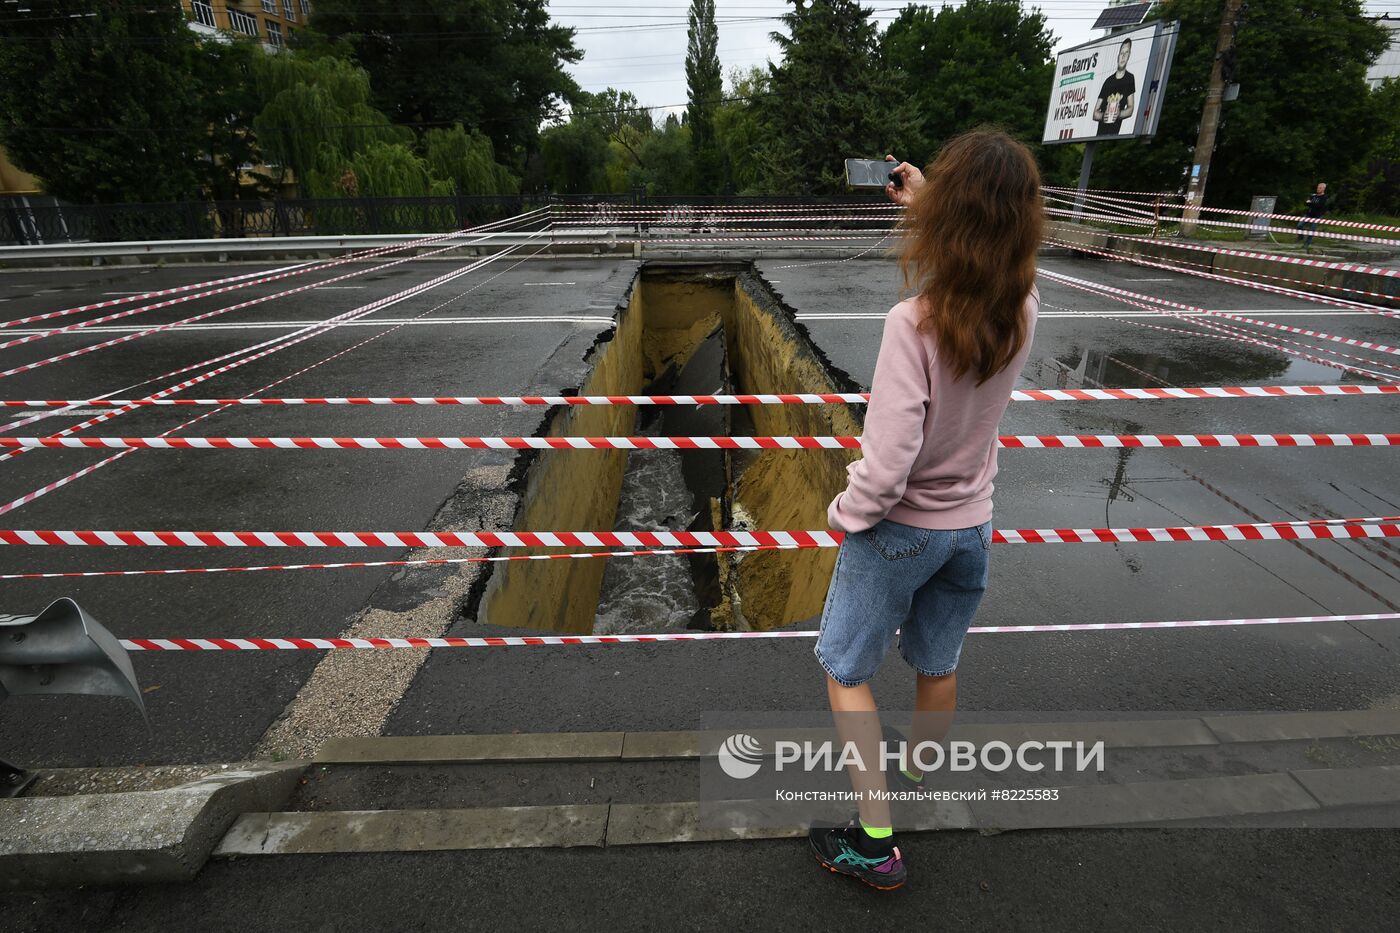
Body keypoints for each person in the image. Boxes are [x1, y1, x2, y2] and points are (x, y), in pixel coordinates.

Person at [806, 130, 1041, 891]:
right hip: (972, 526)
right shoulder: (1024, 306)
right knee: (937, 662)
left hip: (899, 531)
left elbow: (888, 463)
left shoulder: (912, 324)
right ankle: (922, 774)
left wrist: (845, 512)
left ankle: (874, 843)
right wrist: (928, 199)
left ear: (948, 224)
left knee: (846, 671)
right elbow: (983, 244)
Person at [1091, 37, 1137, 135]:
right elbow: (1095, 113)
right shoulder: (1108, 81)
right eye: (1121, 53)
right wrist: (1103, 116)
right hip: (1100, 134)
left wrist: (1119, 114)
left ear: (1129, 56)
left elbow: (1130, 108)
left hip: (1114, 136)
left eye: (1126, 53)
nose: (1123, 56)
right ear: (1118, 56)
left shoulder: (1129, 78)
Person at [1299, 182, 1328, 251]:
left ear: (1323, 189)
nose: (1318, 189)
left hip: (1317, 216)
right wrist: (1311, 203)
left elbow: (1319, 206)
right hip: (1309, 214)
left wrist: (1311, 203)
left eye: (1320, 188)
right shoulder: (1313, 195)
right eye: (1318, 187)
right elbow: (1305, 203)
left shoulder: (1324, 197)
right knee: (1299, 225)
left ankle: (1307, 244)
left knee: (1312, 230)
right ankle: (1301, 237)